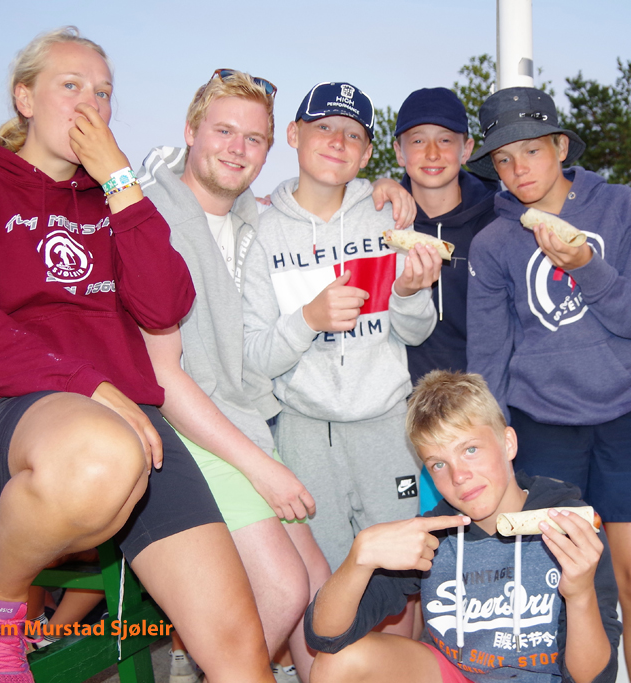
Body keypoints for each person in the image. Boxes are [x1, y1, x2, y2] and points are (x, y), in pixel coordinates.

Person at [0, 27, 273, 683]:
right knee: (104, 451)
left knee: (240, 652)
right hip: (18, 411)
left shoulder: (117, 200)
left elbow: (165, 306)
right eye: (71, 85)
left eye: (103, 93)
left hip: (133, 424)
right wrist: (92, 386)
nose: (91, 104)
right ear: (25, 98)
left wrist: (119, 181)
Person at [138, 70, 417, 683]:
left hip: (253, 422)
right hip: (190, 433)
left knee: (323, 593)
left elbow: (414, 323)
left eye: (252, 139)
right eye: (223, 131)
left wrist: (387, 192)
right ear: (190, 131)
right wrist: (308, 321)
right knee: (289, 590)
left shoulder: (249, 216)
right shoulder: (155, 218)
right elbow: (167, 374)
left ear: (270, 147)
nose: (238, 148)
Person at [464, 87, 631, 683]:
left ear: (559, 147)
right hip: (544, 428)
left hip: (626, 416)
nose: (519, 169)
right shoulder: (493, 243)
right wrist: (493, 441)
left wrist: (586, 267)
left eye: (531, 150)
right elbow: (488, 359)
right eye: (504, 159)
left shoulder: (619, 206)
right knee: (558, 590)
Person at [304, 370, 621, 683]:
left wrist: (580, 595)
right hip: (457, 675)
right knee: (336, 663)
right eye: (438, 464)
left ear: (508, 443)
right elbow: (325, 636)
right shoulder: (432, 537)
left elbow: (594, 679)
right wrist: (359, 559)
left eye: (470, 450)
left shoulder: (570, 525)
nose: (458, 476)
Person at [242, 81, 442, 575]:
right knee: (323, 576)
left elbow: (416, 333)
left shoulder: (387, 217)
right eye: (324, 127)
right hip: (304, 432)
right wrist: (308, 320)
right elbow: (255, 356)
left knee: (405, 573)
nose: (337, 141)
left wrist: (408, 294)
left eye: (353, 134)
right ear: (293, 134)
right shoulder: (260, 231)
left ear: (367, 153)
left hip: (387, 427)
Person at [390, 87, 500, 513]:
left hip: (482, 408)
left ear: (467, 148)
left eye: (446, 139)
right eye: (418, 140)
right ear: (399, 152)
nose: (432, 152)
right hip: (401, 411)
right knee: (416, 533)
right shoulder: (378, 217)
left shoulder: (497, 219)